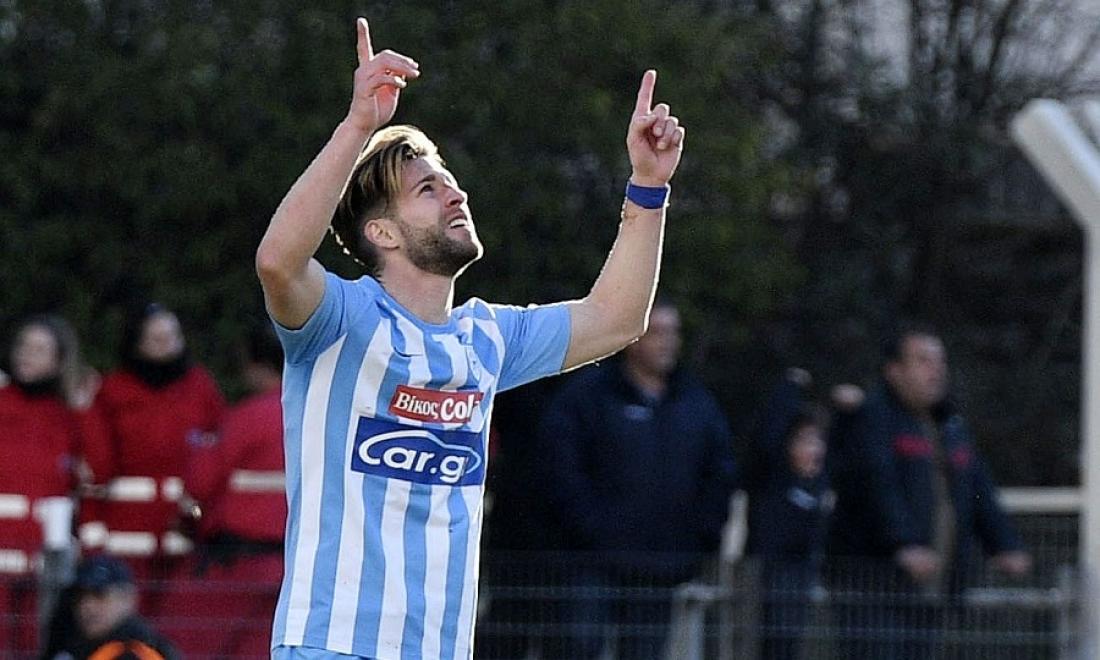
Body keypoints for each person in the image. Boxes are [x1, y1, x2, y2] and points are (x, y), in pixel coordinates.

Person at [254, 15, 685, 660]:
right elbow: (277, 263)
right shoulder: (339, 320)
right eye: (427, 189)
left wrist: (648, 187)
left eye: (450, 181)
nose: (456, 194)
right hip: (332, 645)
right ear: (383, 233)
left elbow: (617, 318)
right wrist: (357, 127)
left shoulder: (486, 337)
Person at [527, 301, 737, 659]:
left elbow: (719, 474)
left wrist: (698, 538)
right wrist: (588, 527)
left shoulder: (696, 404)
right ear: (632, 338)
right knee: (577, 647)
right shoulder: (587, 397)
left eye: (673, 332)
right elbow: (559, 468)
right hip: (592, 562)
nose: (667, 342)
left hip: (662, 565)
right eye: (657, 332)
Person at [827, 323, 1032, 659]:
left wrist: (1004, 543)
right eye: (923, 361)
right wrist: (903, 544)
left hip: (929, 589)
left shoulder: (950, 425)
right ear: (894, 371)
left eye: (940, 361)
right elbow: (876, 486)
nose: (936, 371)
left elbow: (978, 488)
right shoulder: (873, 419)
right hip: (872, 586)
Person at [162, 322, 286, 657]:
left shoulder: (246, 418)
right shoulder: (317, 415)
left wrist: (190, 521)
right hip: (292, 569)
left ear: (256, 364)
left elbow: (199, 487)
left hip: (234, 566)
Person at [81, 303, 225, 577]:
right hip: (124, 531)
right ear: (137, 344)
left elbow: (217, 451)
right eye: (157, 339)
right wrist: (93, 537)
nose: (168, 345)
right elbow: (95, 466)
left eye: (173, 336)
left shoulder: (200, 387)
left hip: (184, 531)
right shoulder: (113, 391)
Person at [0, 315, 102, 653]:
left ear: (60, 361)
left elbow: (99, 470)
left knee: (38, 646)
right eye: (23, 346)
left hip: (47, 561)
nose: (27, 355)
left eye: (40, 349)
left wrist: (84, 408)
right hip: (4, 550)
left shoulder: (69, 415)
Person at [743, 369, 833, 660]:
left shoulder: (822, 485)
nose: (814, 450)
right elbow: (769, 435)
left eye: (818, 441)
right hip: (766, 583)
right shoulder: (774, 478)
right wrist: (789, 388)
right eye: (805, 441)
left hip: (802, 585)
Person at [42, 554, 179, 660]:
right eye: (80, 597)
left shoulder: (140, 653)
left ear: (127, 599)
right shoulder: (70, 646)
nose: (87, 606)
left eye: (99, 595)